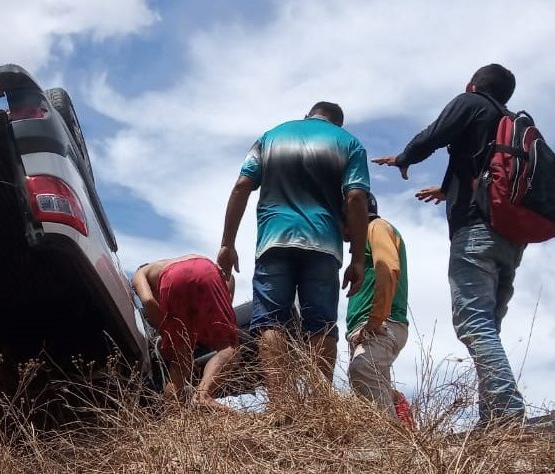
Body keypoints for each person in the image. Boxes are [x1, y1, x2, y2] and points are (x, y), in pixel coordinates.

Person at [373, 63, 524, 426]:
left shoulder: (471, 102)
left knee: (474, 322)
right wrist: (447, 189)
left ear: (472, 84)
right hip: (512, 237)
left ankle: (507, 411)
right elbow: (484, 166)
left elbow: (435, 134)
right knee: (488, 325)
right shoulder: (512, 123)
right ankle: (493, 417)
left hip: (475, 230)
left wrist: (405, 157)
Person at [217, 101, 370, 410]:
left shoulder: (270, 137)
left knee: (271, 321)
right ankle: (320, 406)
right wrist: (358, 258)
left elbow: (242, 185)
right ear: (336, 123)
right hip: (324, 244)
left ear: (308, 115)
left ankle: (280, 405)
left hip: (274, 241)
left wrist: (227, 243)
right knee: (321, 324)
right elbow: (355, 197)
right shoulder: (349, 143)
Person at [132, 255, 240, 407]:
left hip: (171, 279)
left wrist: (169, 334)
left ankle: (174, 419)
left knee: (180, 364)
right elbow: (230, 280)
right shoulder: (170, 262)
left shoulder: (140, 273)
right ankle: (204, 394)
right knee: (228, 347)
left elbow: (149, 301)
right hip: (205, 269)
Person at [344, 193, 409, 418]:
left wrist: (376, 319)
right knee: (369, 395)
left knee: (363, 370)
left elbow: (388, 268)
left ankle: (388, 447)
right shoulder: (363, 244)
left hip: (382, 324)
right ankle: (399, 426)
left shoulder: (377, 227)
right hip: (367, 328)